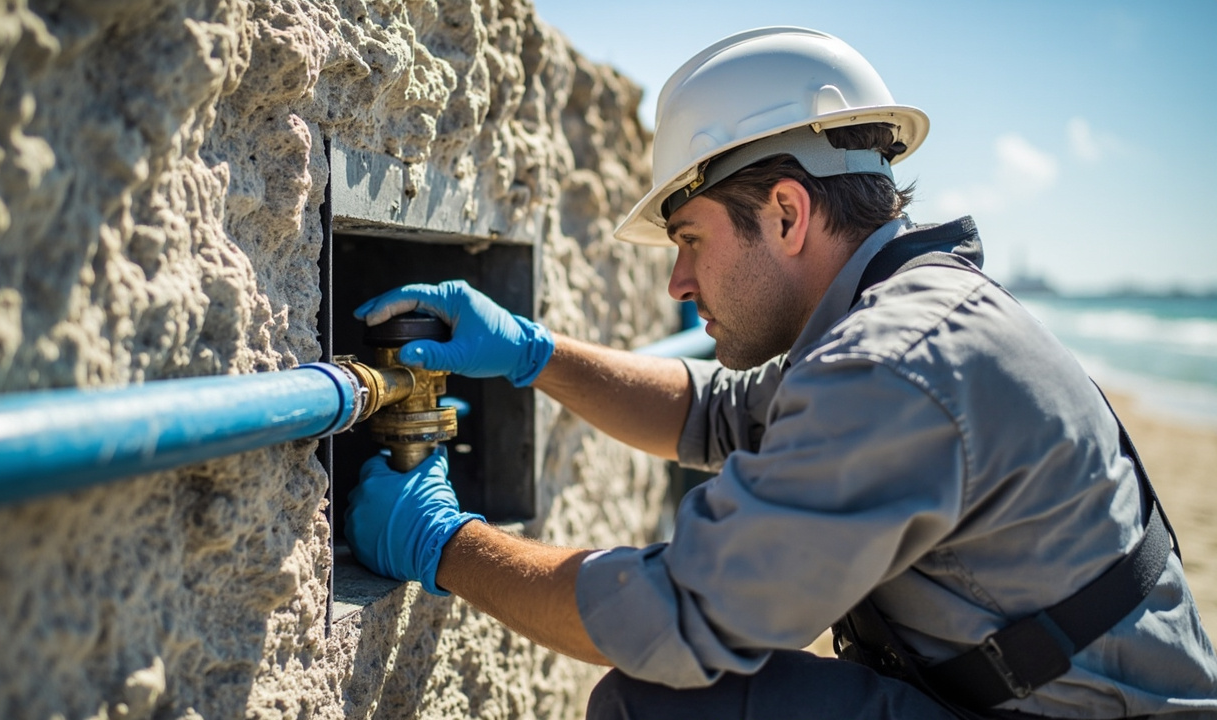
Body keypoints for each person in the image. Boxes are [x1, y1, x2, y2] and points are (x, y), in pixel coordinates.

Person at [345, 27, 1217, 719]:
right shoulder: (895, 317)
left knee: (653, 707)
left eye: (690, 240)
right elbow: (714, 417)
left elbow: (676, 615)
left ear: (789, 213)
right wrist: (534, 354)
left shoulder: (898, 361)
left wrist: (443, 545)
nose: (678, 284)